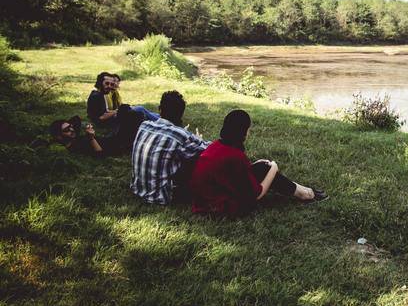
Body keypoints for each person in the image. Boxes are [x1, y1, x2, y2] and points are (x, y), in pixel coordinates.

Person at [189, 109, 327, 217]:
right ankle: (306, 193)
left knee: (261, 167)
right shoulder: (236, 156)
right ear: (243, 132)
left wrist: (258, 166)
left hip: (204, 201)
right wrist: (273, 168)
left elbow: (231, 173)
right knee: (267, 170)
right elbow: (257, 195)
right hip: (220, 208)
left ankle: (303, 190)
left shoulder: (216, 146)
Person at [130, 90, 210, 205]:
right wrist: (199, 139)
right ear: (181, 114)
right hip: (160, 197)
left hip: (137, 189)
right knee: (197, 156)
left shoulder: (144, 125)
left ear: (160, 109)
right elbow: (209, 149)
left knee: (182, 151)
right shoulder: (180, 134)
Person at [49, 108, 144, 156]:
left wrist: (69, 126)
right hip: (119, 144)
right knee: (136, 115)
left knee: (124, 110)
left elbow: (76, 119)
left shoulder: (74, 137)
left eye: (71, 127)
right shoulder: (75, 147)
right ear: (59, 137)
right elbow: (99, 153)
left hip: (111, 138)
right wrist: (91, 138)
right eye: (67, 130)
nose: (72, 129)